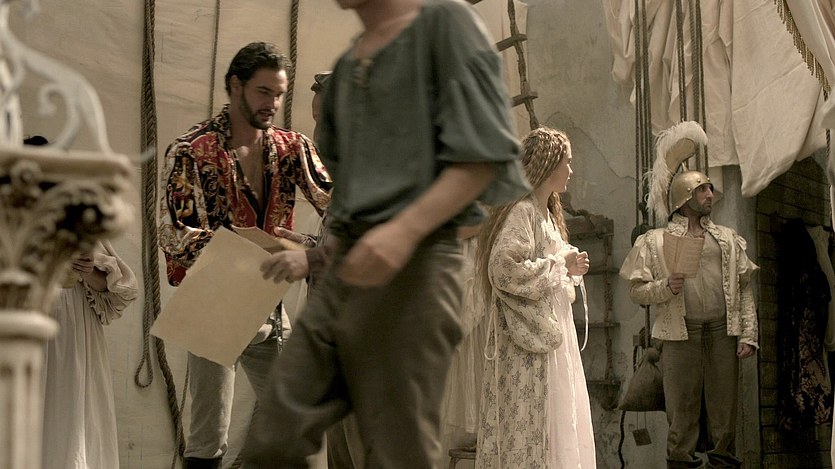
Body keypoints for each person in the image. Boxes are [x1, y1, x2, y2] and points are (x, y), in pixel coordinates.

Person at [243, 0, 530, 466]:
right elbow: (352, 199)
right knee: (276, 435)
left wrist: (402, 231)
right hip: (341, 282)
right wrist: (316, 257)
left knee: (397, 453)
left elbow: (483, 159)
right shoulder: (348, 67)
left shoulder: (445, 25)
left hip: (415, 279)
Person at [158, 42, 332, 469]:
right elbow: (173, 232)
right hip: (213, 297)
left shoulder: (292, 147)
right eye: (263, 92)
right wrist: (239, 245)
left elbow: (337, 201)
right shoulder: (191, 149)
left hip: (268, 299)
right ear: (235, 86)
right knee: (208, 439)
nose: (272, 103)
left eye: (279, 94)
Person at [474, 127, 596, 468]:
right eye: (566, 162)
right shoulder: (522, 212)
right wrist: (559, 264)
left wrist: (569, 266)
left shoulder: (547, 216)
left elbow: (547, 266)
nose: (571, 170)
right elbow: (503, 268)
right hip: (528, 338)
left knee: (558, 417)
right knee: (533, 422)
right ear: (548, 164)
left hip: (551, 331)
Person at [620, 169, 758, 468]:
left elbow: (744, 287)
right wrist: (665, 287)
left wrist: (748, 334)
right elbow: (636, 291)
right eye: (702, 190)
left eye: (710, 189)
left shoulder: (727, 238)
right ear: (684, 197)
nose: (710, 195)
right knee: (681, 412)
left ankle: (723, 463)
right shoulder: (655, 241)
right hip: (679, 334)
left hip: (722, 332)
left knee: (724, 412)